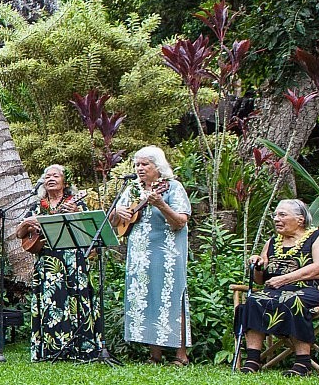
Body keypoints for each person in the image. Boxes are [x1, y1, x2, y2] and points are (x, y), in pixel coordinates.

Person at [237, 199, 319, 376]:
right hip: (276, 291)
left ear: (300, 219)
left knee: (291, 300)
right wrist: (258, 265)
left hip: (313, 290)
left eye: (282, 215)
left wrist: (284, 279)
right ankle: (253, 359)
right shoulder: (273, 242)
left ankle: (303, 362)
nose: (276, 219)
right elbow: (260, 280)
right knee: (253, 300)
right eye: (275, 215)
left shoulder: (318, 237)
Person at [112, 146, 191, 364]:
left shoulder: (172, 188)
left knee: (172, 297)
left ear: (158, 167)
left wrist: (161, 204)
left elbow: (181, 221)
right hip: (139, 253)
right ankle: (154, 355)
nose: (139, 168)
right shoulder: (133, 189)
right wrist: (117, 213)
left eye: (144, 164)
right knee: (147, 298)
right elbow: (115, 222)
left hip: (167, 252)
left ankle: (180, 355)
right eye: (137, 164)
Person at [17, 164, 97, 363]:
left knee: (75, 301)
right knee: (50, 303)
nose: (51, 179)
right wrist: (28, 223)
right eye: (47, 176)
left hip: (72, 261)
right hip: (47, 263)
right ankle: (50, 349)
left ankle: (79, 348)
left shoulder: (75, 202)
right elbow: (20, 234)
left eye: (56, 175)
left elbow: (90, 231)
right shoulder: (37, 205)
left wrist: (77, 211)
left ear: (65, 181)